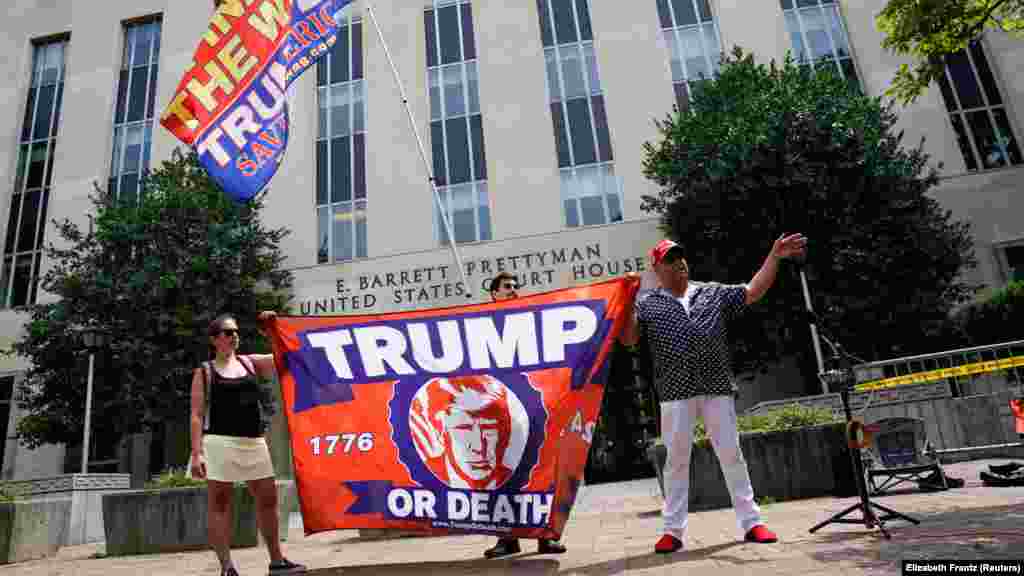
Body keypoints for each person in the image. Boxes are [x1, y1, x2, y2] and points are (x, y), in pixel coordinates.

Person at [620, 234, 807, 554]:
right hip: (675, 393)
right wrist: (624, 301)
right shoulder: (647, 303)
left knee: (731, 454)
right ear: (657, 269)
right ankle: (673, 531)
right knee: (676, 461)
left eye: (680, 257)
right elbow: (628, 338)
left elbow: (752, 292)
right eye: (669, 260)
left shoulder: (711, 292)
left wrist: (774, 256)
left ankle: (752, 523)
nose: (678, 263)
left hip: (716, 387)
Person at [190, 314, 307, 576]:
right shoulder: (205, 371)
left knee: (268, 500)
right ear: (214, 339)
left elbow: (285, 357)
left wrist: (271, 328)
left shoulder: (251, 363)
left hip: (254, 442)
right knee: (219, 504)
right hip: (219, 443)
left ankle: (277, 561)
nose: (233, 336)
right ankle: (227, 567)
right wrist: (197, 454)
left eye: (235, 332)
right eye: (227, 332)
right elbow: (196, 414)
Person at [482, 272, 568, 559]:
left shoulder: (531, 322)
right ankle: (507, 539)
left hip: (533, 406)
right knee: (503, 474)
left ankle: (546, 536)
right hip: (498, 411)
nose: (514, 290)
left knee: (541, 470)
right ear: (494, 293)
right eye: (507, 287)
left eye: (516, 287)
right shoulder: (479, 326)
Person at [411, 375, 516, 490]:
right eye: (464, 428)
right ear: (440, 432)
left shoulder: (517, 478)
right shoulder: (420, 477)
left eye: (489, 428)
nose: (479, 447)